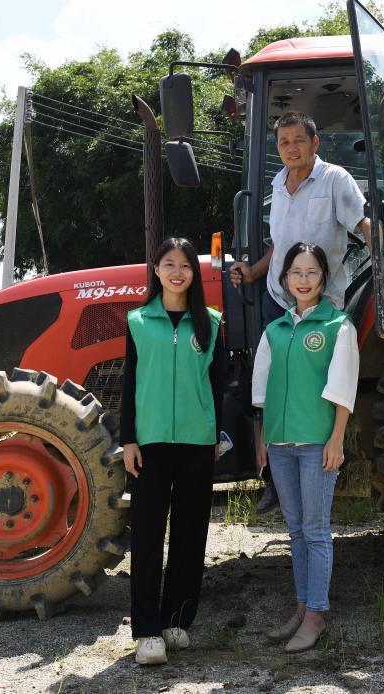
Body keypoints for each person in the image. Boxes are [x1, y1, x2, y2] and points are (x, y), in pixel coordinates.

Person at [229, 110, 369, 512]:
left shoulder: (334, 179)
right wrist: (253, 272)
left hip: (320, 304)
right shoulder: (278, 183)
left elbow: (361, 223)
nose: (291, 148)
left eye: (298, 141)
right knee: (275, 385)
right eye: (284, 142)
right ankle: (275, 478)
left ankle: (323, 471)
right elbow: (279, 244)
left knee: (311, 391)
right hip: (279, 298)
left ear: (315, 143)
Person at [120, 237, 225, 665]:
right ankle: (147, 631)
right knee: (147, 536)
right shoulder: (138, 321)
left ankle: (177, 621)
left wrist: (216, 437)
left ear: (194, 273)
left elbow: (218, 385)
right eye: (169, 264)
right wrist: (128, 438)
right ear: (157, 270)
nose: (177, 272)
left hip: (198, 443)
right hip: (150, 444)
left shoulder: (211, 323)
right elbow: (129, 384)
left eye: (185, 265)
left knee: (190, 534)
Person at [251, 242, 360, 653]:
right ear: (284, 279)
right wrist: (263, 439)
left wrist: (337, 439)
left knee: (315, 531)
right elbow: (263, 390)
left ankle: (316, 615)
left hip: (317, 444)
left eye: (311, 272)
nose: (303, 279)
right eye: (296, 272)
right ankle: (301, 608)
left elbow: (343, 389)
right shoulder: (275, 331)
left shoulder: (338, 326)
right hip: (280, 445)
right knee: (295, 531)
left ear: (323, 278)